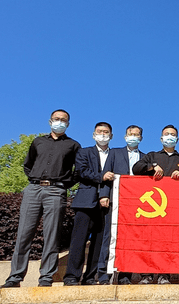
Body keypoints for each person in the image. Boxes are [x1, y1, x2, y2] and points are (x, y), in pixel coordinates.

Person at [0, 110, 80, 288]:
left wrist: (63, 185)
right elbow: (28, 164)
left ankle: (46, 277)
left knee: (51, 235)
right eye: (57, 119)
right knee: (23, 234)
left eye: (63, 120)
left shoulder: (73, 145)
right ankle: (15, 276)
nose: (59, 122)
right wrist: (35, 180)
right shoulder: (38, 142)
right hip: (33, 190)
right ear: (50, 121)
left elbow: (78, 171)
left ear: (68, 124)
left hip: (56, 191)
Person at [132, 124, 179, 284]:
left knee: (168, 243)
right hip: (152, 208)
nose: (169, 137)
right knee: (148, 241)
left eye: (172, 135)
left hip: (172, 207)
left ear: (177, 139)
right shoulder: (152, 156)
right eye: (167, 134)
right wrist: (152, 166)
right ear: (161, 138)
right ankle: (146, 275)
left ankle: (165, 275)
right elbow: (136, 168)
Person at [63, 122, 114, 286]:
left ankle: (90, 277)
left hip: (107, 205)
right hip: (86, 202)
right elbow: (81, 172)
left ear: (111, 136)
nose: (103, 134)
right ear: (94, 134)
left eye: (106, 132)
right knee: (79, 240)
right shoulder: (84, 152)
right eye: (100, 131)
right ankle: (71, 276)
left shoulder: (114, 154)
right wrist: (101, 177)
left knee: (99, 243)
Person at [95, 125, 142, 285]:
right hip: (115, 201)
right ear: (125, 136)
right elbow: (107, 174)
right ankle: (103, 275)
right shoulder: (115, 153)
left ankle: (124, 276)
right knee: (109, 237)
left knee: (129, 240)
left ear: (140, 139)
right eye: (130, 134)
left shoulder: (144, 158)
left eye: (136, 135)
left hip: (135, 205)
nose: (133, 137)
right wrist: (104, 195)